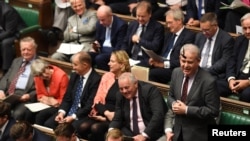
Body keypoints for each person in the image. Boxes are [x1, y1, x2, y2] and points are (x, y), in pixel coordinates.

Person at [166, 44, 220, 141]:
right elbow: (170, 96)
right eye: (183, 61)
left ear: (198, 61)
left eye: (190, 62)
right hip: (178, 131)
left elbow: (213, 111)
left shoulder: (208, 81)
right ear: (179, 59)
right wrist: (173, 103)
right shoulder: (176, 72)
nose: (185, 65)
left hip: (198, 134)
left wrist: (187, 110)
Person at [77, 50, 131, 141]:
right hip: (102, 113)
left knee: (96, 128)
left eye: (112, 61)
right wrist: (105, 113)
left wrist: (107, 117)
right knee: (82, 127)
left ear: (122, 64)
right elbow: (97, 100)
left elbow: (126, 107)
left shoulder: (128, 81)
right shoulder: (107, 76)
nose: (109, 63)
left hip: (117, 118)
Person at [44, 51, 101, 129]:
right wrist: (61, 113)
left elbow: (89, 105)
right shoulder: (74, 76)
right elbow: (67, 98)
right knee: (49, 124)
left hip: (82, 114)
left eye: (75, 65)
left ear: (85, 65)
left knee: (68, 129)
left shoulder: (96, 79)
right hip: (69, 110)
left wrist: (73, 117)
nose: (73, 67)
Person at [109, 72, 167, 141]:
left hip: (150, 134)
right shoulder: (120, 95)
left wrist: (144, 135)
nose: (124, 91)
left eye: (126, 87)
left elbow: (158, 115)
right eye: (121, 89)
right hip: (130, 135)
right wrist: (111, 132)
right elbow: (117, 118)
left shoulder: (150, 91)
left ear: (135, 84)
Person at [148, 8, 195, 84]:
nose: (168, 26)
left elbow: (183, 60)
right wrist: (155, 59)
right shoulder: (168, 34)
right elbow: (161, 52)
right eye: (167, 23)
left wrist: (164, 64)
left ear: (179, 21)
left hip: (174, 69)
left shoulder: (189, 36)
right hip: (161, 65)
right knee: (141, 68)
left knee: (152, 73)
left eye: (170, 23)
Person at [0, 36, 37, 121]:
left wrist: (29, 95)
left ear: (35, 49)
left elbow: (42, 88)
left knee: (17, 114)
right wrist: (1, 90)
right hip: (8, 94)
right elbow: (6, 77)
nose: (26, 52)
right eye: (23, 50)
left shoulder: (40, 64)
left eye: (29, 49)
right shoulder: (16, 61)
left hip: (25, 97)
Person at [217, 13, 250, 102]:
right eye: (244, 28)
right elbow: (232, 61)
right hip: (237, 77)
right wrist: (231, 79)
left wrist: (248, 82)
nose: (247, 31)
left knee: (246, 95)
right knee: (214, 85)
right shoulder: (240, 40)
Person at [121, 0, 164, 67]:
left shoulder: (157, 27)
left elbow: (155, 47)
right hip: (131, 56)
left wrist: (139, 40)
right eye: (138, 16)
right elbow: (125, 42)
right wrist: (122, 55)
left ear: (150, 14)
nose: (140, 19)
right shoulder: (132, 24)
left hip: (145, 60)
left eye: (143, 16)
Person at [195, 12, 234, 79]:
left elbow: (224, 61)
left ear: (215, 26)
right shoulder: (199, 36)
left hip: (214, 74)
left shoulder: (226, 39)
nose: (204, 33)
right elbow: (194, 54)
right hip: (197, 71)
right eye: (202, 30)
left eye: (207, 30)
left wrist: (204, 72)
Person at [89, 5, 128, 71]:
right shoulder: (99, 23)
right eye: (99, 19)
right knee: (87, 56)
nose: (101, 22)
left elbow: (119, 46)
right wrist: (95, 46)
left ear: (110, 16)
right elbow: (97, 39)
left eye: (103, 20)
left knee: (99, 58)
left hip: (113, 51)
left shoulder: (121, 25)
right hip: (101, 50)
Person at [31, 59, 69, 125]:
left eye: (44, 71)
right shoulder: (37, 77)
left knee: (40, 117)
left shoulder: (61, 76)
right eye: (40, 75)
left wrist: (51, 101)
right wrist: (49, 100)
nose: (44, 75)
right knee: (28, 113)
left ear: (47, 67)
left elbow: (64, 99)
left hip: (58, 106)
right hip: (45, 104)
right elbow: (39, 95)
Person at [0, 1, 26, 74]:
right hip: (4, 30)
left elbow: (10, 32)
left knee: (5, 43)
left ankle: (6, 69)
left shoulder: (8, 11)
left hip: (18, 33)